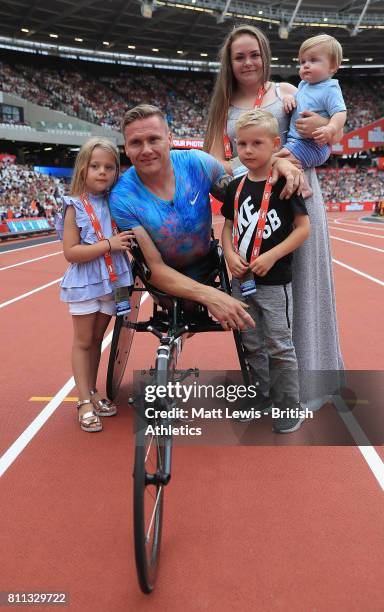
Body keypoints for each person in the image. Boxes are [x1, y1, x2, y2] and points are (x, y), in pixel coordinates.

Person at [205, 25, 344, 403]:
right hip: (252, 213)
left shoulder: (289, 92)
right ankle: (268, 389)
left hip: (295, 199)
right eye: (239, 56)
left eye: (254, 54)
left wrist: (321, 130)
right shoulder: (223, 108)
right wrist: (267, 165)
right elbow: (217, 169)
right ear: (229, 63)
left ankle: (308, 386)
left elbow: (322, 144)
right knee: (261, 302)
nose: (248, 62)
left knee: (303, 291)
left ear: (265, 57)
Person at [109, 104, 304, 332]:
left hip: (205, 264)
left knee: (196, 308)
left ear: (169, 139)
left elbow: (244, 176)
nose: (146, 150)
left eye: (154, 139)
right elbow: (155, 268)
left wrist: (276, 161)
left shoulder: (196, 163)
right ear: (126, 148)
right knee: (176, 305)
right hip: (164, 277)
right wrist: (210, 296)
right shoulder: (122, 198)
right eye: (136, 143)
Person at [222, 109, 310, 432]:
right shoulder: (235, 187)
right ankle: (260, 394)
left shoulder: (285, 182)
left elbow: (303, 229)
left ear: (275, 144)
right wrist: (229, 253)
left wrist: (272, 256)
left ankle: (289, 404)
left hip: (274, 283)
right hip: (241, 281)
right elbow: (228, 227)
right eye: (241, 143)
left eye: (256, 143)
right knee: (252, 343)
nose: (247, 150)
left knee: (279, 344)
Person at [56, 138, 133, 432]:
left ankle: (93, 391)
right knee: (84, 341)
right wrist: (108, 244)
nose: (102, 172)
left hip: (114, 280)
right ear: (83, 169)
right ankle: (83, 400)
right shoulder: (75, 206)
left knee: (98, 340)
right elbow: (71, 253)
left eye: (109, 167)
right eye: (95, 166)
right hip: (86, 280)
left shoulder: (117, 202)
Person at [280, 34, 347, 197]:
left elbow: (340, 112)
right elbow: (299, 100)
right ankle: (303, 185)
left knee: (280, 157)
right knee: (282, 158)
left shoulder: (329, 88)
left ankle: (304, 187)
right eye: (302, 62)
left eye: (313, 60)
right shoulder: (303, 85)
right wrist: (289, 98)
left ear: (332, 66)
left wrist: (330, 128)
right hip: (297, 141)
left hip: (313, 145)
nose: (306, 65)